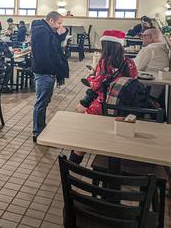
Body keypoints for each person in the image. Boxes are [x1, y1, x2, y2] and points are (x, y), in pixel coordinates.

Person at [70, 30, 138, 165]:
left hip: (104, 105)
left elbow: (95, 85)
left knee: (82, 131)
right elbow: (133, 79)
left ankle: (73, 162)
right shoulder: (130, 62)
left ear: (106, 46)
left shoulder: (105, 62)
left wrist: (91, 75)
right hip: (124, 106)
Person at [30, 11, 69, 142]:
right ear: (51, 20)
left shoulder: (46, 31)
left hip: (46, 71)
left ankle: (41, 127)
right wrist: (53, 69)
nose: (60, 26)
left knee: (44, 102)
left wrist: (62, 34)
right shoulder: (42, 32)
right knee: (41, 102)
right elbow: (44, 55)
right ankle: (38, 131)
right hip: (44, 72)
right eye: (59, 23)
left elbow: (54, 45)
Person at [134, 28, 169, 98]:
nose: (141, 38)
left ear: (150, 37)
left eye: (143, 36)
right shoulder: (163, 48)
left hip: (146, 92)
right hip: (158, 91)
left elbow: (134, 68)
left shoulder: (149, 49)